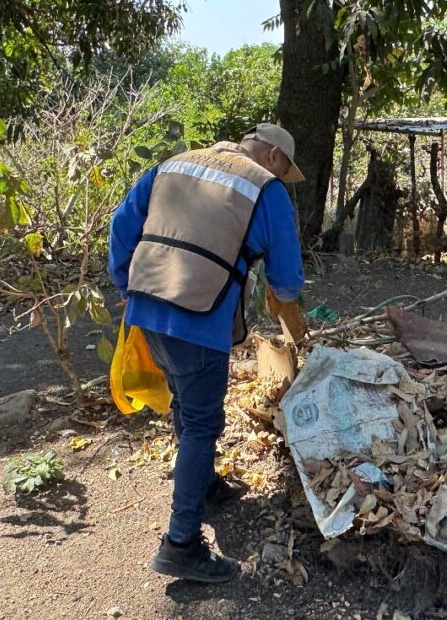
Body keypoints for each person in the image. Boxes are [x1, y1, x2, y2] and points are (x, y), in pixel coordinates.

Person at [108, 123, 305, 583]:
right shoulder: (265, 187)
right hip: (198, 315)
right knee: (202, 422)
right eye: (286, 168)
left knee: (185, 403)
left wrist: (126, 285)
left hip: (146, 307)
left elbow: (122, 225)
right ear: (274, 156)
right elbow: (289, 280)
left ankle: (205, 483)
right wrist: (285, 300)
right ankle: (181, 544)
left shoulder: (173, 164)